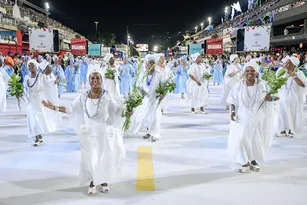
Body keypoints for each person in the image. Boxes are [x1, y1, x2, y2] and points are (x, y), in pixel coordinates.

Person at [42, 70, 126, 195]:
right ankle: (93, 180)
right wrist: (54, 107)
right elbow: (70, 109)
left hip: (103, 133)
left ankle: (103, 181)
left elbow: (118, 110)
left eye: (98, 78)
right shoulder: (83, 97)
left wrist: (128, 111)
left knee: (103, 157)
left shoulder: (107, 96)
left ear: (102, 81)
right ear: (89, 81)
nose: (95, 80)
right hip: (89, 134)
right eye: (92, 78)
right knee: (90, 158)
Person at [227, 61, 279, 173]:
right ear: (244, 72)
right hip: (242, 117)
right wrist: (232, 111)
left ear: (256, 73)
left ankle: (253, 160)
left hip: (258, 118)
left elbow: (276, 97)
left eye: (252, 71)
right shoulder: (238, 85)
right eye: (247, 71)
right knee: (241, 138)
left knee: (255, 140)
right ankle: (244, 161)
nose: (250, 73)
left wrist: (270, 98)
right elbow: (232, 100)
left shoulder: (263, 85)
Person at [23, 60, 60, 146]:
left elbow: (49, 83)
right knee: (33, 119)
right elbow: (25, 89)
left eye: (32, 66)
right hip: (31, 102)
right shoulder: (26, 78)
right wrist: (26, 99)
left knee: (38, 118)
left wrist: (55, 81)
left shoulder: (41, 76)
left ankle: (39, 137)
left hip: (39, 101)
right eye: (29, 66)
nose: (30, 68)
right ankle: (37, 137)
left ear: (36, 67)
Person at [275, 56, 307, 138]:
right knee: (281, 113)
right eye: (285, 62)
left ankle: (291, 130)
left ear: (293, 64)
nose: (285, 63)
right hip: (282, 97)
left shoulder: (299, 73)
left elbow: (303, 85)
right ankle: (282, 130)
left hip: (294, 99)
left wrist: (294, 76)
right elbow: (276, 83)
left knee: (292, 114)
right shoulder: (281, 72)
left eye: (288, 62)